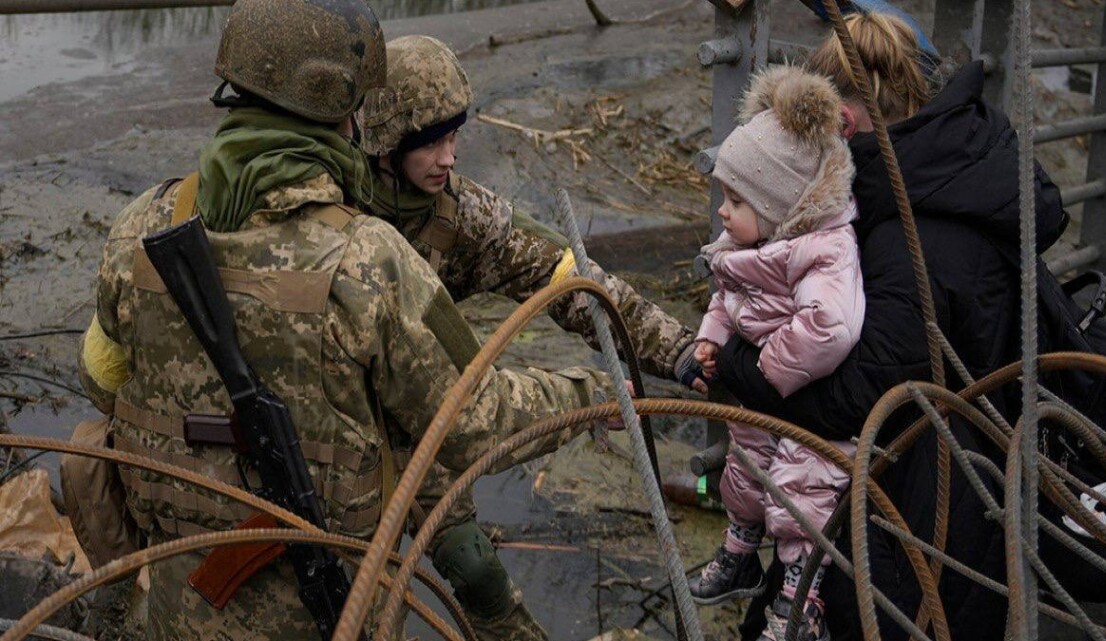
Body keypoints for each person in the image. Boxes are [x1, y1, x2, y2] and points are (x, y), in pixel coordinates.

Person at [75, 2, 613, 640]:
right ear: (341, 116)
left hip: (179, 607)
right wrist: (594, 395)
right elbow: (475, 420)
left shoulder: (143, 223)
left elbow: (102, 380)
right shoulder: (369, 257)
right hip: (331, 609)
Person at [718, 12, 1074, 641]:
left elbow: (860, 397)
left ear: (844, 124)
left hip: (921, 534)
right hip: (984, 492)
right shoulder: (965, 158)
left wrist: (737, 367)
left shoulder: (910, 235)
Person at [352, 35, 704, 641]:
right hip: (335, 432)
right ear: (387, 145)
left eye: (454, 136)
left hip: (419, 426)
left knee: (477, 572)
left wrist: (680, 351)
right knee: (356, 601)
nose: (449, 157)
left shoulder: (463, 218)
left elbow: (568, 279)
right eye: (430, 141)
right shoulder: (330, 209)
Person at [684, 65, 863, 641]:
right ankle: (739, 554)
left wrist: (767, 368)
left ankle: (800, 596)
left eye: (735, 199)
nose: (722, 211)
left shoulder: (822, 250)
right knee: (743, 470)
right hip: (764, 400)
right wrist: (711, 339)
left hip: (806, 406)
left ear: (779, 204)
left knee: (800, 494)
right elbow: (727, 296)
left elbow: (831, 325)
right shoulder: (749, 243)